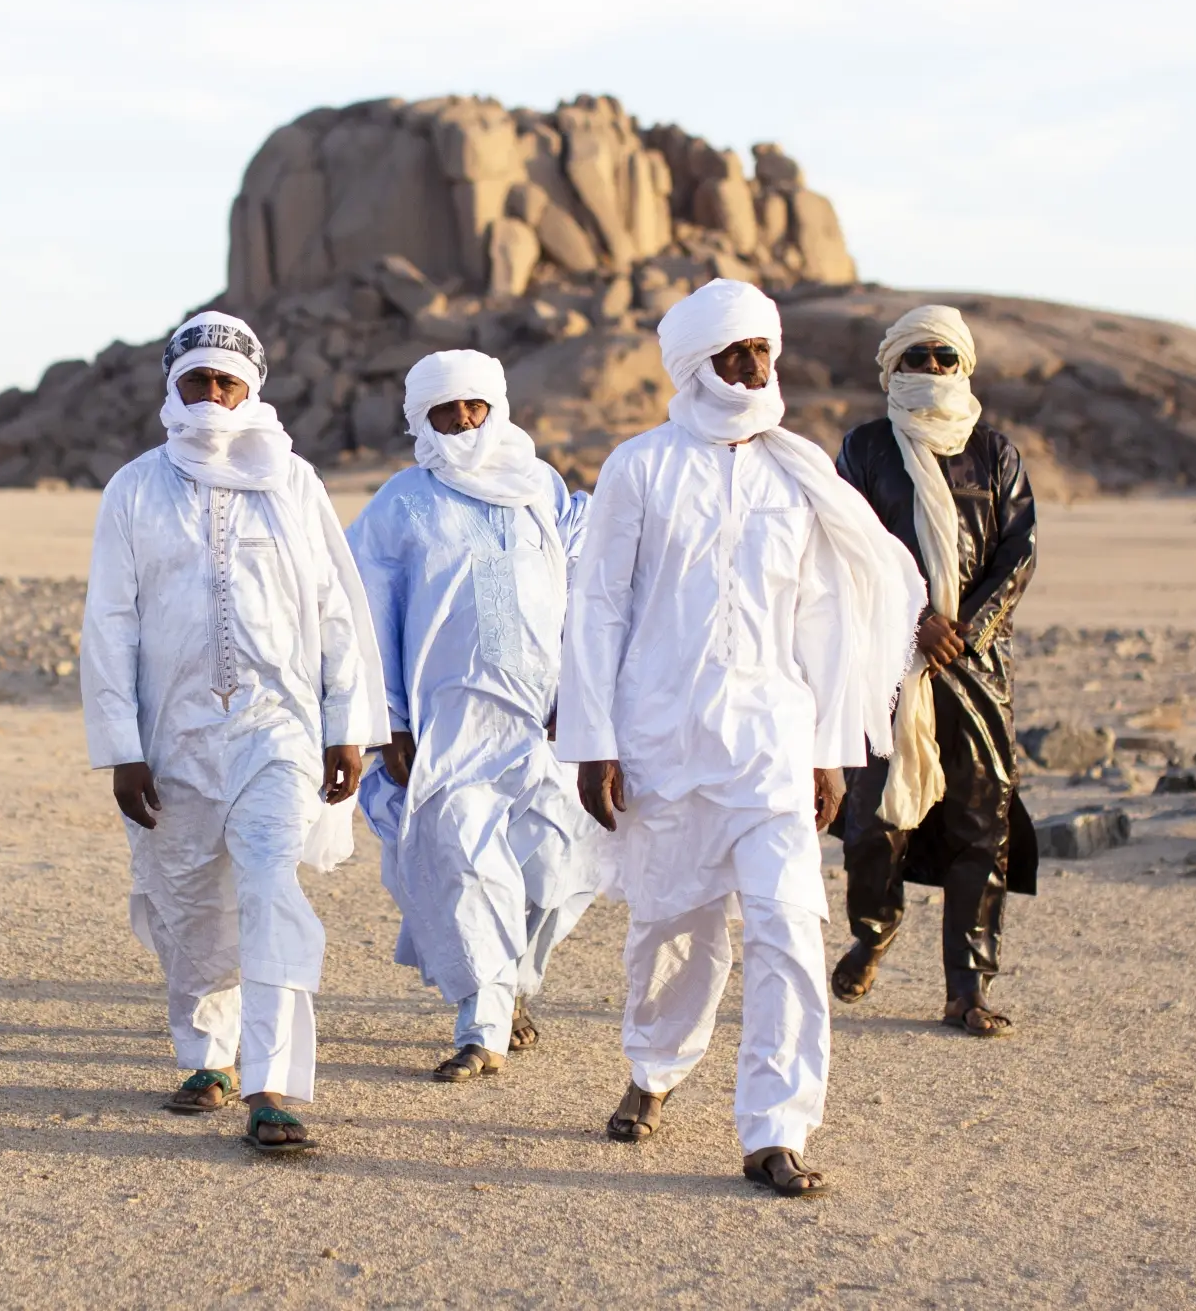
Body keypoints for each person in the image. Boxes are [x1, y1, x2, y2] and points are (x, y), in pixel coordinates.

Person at [560, 277, 923, 1198]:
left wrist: (830, 749)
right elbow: (597, 607)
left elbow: (822, 615)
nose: (756, 367)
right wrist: (593, 739)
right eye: (737, 353)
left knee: (789, 927)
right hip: (662, 740)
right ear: (696, 363)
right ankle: (655, 1069)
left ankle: (775, 1127)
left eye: (764, 350)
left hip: (771, 741)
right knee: (674, 930)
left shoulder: (798, 472)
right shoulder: (640, 465)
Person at [80, 310, 388, 1153]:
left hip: (277, 729)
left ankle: (270, 1084)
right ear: (172, 390)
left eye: (228, 382)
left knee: (268, 889)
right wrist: (121, 746)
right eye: (198, 381)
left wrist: (346, 724)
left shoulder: (292, 481)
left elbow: (334, 606)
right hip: (171, 737)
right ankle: (206, 1054)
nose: (213, 396)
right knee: (189, 906)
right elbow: (110, 620)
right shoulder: (135, 487)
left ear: (253, 388)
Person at [348, 349, 606, 1082]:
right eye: (445, 409)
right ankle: (482, 1023)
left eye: (474, 406)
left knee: (556, 867)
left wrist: (583, 693)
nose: (462, 420)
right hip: (447, 726)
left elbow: (592, 584)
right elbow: (366, 615)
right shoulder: (401, 504)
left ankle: (510, 981)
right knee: (464, 861)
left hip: (543, 723)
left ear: (496, 406)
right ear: (420, 419)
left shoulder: (543, 490)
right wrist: (388, 720)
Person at [832, 306, 1038, 1036]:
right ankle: (875, 927)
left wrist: (967, 630)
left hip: (976, 671)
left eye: (945, 357)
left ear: (965, 364)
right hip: (888, 661)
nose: (932, 369)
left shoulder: (996, 455)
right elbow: (846, 549)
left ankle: (968, 987)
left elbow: (1019, 553)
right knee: (871, 822)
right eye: (917, 357)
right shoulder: (863, 450)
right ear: (892, 367)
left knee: (983, 824)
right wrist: (913, 619)